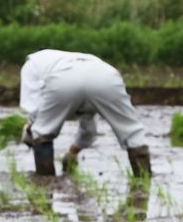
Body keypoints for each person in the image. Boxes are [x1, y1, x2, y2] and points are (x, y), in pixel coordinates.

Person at [17, 50, 149, 178]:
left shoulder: (31, 64)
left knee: (42, 132)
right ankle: (144, 184)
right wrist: (73, 152)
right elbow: (89, 131)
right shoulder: (56, 61)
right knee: (132, 132)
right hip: (106, 76)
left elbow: (33, 107)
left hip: (64, 78)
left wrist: (32, 129)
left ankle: (45, 185)